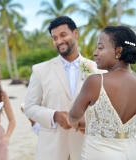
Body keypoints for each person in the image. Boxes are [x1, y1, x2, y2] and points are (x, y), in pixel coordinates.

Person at [23, 16, 102, 160]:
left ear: (75, 34)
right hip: (52, 150)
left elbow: (105, 109)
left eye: (63, 35)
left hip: (86, 149)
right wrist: (53, 115)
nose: (59, 41)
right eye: (54, 38)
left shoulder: (97, 70)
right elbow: (29, 107)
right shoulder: (40, 70)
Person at [68, 25, 136, 160]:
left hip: (100, 154)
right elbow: (118, 127)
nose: (95, 52)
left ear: (118, 50)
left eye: (100, 47)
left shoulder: (96, 82)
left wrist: (78, 123)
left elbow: (72, 118)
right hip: (134, 153)